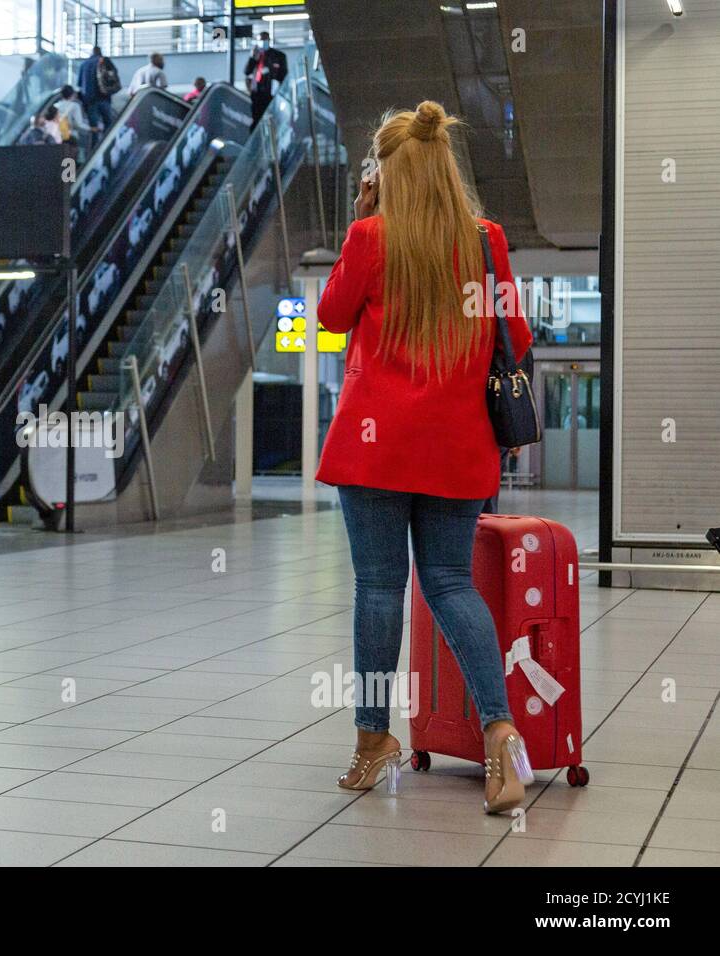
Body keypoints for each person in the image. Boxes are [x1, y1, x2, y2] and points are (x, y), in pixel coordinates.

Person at [315, 101, 535, 815]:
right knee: (449, 584)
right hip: (457, 449)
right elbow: (518, 335)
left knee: (379, 590)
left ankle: (373, 738)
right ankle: (501, 731)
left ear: (383, 172)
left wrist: (365, 212)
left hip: (374, 449)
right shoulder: (485, 241)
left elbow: (330, 316)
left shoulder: (371, 237)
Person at [78, 45, 119, 148]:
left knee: (93, 126)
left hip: (90, 100)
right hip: (104, 97)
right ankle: (107, 146)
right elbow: (112, 77)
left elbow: (79, 84)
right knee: (108, 123)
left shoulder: (84, 65)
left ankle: (94, 149)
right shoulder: (104, 61)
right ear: (101, 52)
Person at [243, 31, 287, 124]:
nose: (263, 42)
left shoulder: (278, 56)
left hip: (271, 92)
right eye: (261, 40)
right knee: (256, 118)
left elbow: (283, 74)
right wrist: (252, 57)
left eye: (265, 40)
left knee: (271, 118)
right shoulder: (256, 55)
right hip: (256, 92)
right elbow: (247, 71)